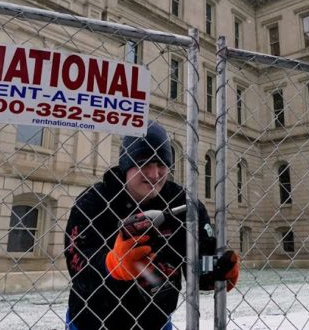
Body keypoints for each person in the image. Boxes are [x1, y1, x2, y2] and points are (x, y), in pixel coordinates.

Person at [64, 121, 240, 330]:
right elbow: (77, 263)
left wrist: (216, 270)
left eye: (161, 164)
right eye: (144, 163)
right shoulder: (95, 201)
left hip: (156, 322)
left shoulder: (184, 204)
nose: (155, 174)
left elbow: (200, 263)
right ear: (126, 164)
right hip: (92, 322)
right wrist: (112, 264)